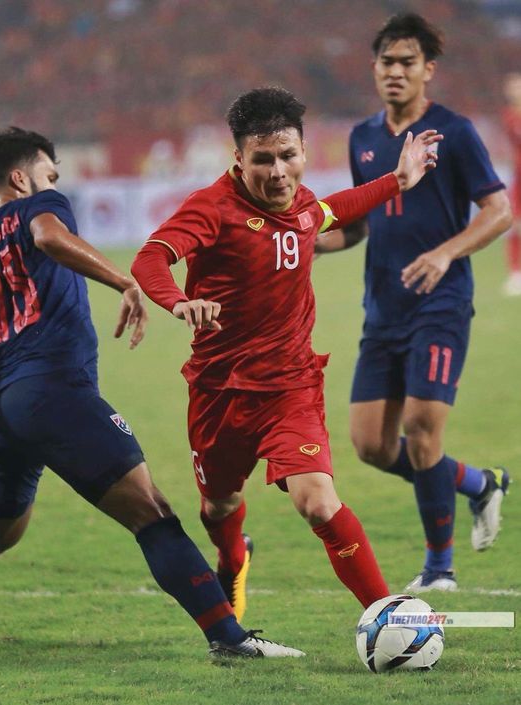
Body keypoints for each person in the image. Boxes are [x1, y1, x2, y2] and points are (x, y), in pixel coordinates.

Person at [0, 127, 299, 660]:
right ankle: (231, 640)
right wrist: (125, 281)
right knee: (153, 514)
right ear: (21, 178)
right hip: (55, 394)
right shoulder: (41, 206)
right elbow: (48, 235)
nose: (54, 183)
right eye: (50, 174)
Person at [131, 86, 442, 621]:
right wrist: (179, 301)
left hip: (290, 386)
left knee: (318, 501)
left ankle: (389, 617)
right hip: (219, 391)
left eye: (289, 156)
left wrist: (397, 181)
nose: (279, 172)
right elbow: (151, 258)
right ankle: (234, 557)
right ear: (238, 157)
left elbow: (327, 211)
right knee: (219, 505)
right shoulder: (211, 209)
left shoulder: (298, 201)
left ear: (303, 151)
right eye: (263, 159)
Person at [314, 14, 512, 591]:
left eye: (407, 62)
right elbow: (356, 226)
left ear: (428, 70)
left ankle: (438, 568)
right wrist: (306, 245)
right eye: (386, 61)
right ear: (374, 69)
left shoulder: (455, 132)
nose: (395, 71)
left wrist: (447, 253)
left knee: (423, 430)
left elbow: (499, 211)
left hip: (440, 303)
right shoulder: (363, 138)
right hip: (382, 310)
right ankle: (478, 484)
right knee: (372, 446)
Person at [501, 71, 521, 296]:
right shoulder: (508, 116)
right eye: (512, 88)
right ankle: (515, 274)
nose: (514, 91)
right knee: (514, 224)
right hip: (519, 176)